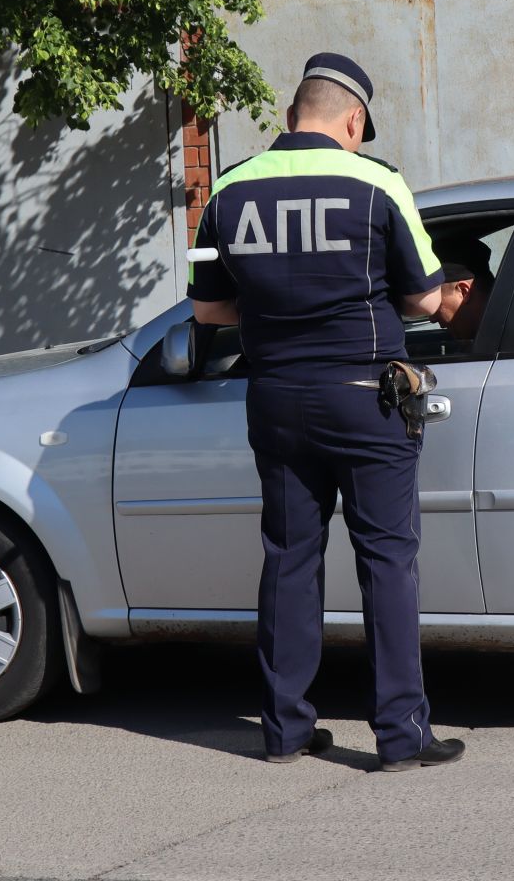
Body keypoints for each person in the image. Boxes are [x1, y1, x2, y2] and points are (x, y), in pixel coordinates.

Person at [186, 52, 466, 772]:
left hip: (276, 396)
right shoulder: (378, 184)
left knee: (288, 561)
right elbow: (423, 298)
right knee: (387, 562)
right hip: (364, 398)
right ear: (354, 119)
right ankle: (402, 739)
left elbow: (209, 308)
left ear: (289, 118)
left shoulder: (227, 189)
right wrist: (449, 299)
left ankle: (283, 731)